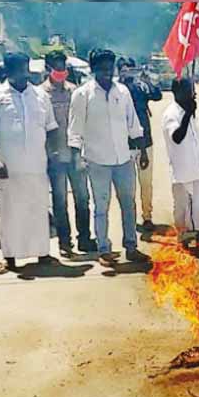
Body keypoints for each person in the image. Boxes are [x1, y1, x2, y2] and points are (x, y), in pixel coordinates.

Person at [0, 52, 59, 274]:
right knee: (10, 212)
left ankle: (43, 254)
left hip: (37, 165)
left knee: (38, 208)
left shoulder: (41, 96)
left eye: (23, 67)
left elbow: (51, 128)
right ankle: (10, 258)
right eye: (15, 68)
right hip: (8, 167)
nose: (21, 72)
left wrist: (53, 154)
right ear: (7, 70)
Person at [68, 49, 149, 267]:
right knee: (101, 207)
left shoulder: (122, 92)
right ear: (93, 70)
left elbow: (133, 124)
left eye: (109, 69)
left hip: (123, 159)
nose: (106, 73)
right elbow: (75, 131)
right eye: (101, 69)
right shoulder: (82, 95)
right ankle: (104, 249)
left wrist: (143, 152)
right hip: (97, 161)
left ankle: (131, 246)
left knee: (128, 204)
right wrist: (77, 158)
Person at [41, 50, 96, 257]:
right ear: (48, 69)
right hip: (55, 157)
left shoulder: (74, 92)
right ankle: (65, 243)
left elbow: (83, 122)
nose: (61, 72)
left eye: (64, 68)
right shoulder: (41, 94)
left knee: (82, 198)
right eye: (57, 68)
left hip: (75, 155)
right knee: (60, 201)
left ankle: (84, 238)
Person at [162, 78, 199, 243]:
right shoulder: (172, 114)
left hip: (197, 168)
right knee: (183, 205)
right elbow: (177, 137)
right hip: (182, 170)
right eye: (190, 90)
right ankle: (183, 236)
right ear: (177, 92)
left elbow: (197, 142)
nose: (194, 94)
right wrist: (188, 114)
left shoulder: (187, 112)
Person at [117, 57, 162, 232]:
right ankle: (129, 218)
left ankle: (147, 216)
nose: (127, 72)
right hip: (123, 145)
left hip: (145, 142)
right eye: (123, 69)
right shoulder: (115, 91)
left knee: (146, 183)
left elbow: (157, 95)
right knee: (127, 186)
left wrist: (147, 80)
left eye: (130, 69)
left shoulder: (140, 87)